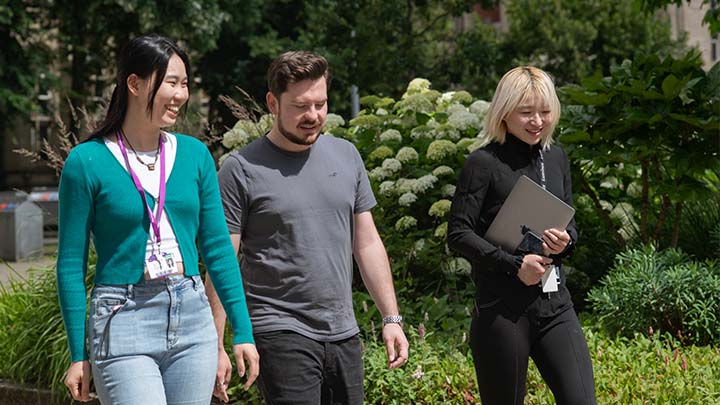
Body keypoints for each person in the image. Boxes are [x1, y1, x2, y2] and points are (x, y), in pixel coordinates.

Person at [57, 34, 258, 404]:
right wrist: (77, 354)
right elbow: (70, 263)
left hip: (191, 315)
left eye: (185, 84)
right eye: (171, 82)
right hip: (122, 317)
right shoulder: (86, 162)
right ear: (134, 84)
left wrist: (241, 330)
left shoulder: (195, 156)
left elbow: (217, 249)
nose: (181, 94)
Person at [205, 50, 409, 404]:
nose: (313, 116)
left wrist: (391, 317)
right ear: (273, 102)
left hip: (343, 331)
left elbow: (367, 244)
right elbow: (222, 259)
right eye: (301, 106)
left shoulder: (346, 155)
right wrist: (215, 344)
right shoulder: (240, 169)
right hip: (279, 330)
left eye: (321, 104)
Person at [447, 66, 596, 405]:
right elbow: (458, 233)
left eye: (545, 112)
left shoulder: (555, 157)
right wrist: (513, 264)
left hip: (555, 304)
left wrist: (566, 241)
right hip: (502, 309)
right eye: (526, 112)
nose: (537, 121)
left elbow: (570, 223)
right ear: (504, 112)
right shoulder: (482, 162)